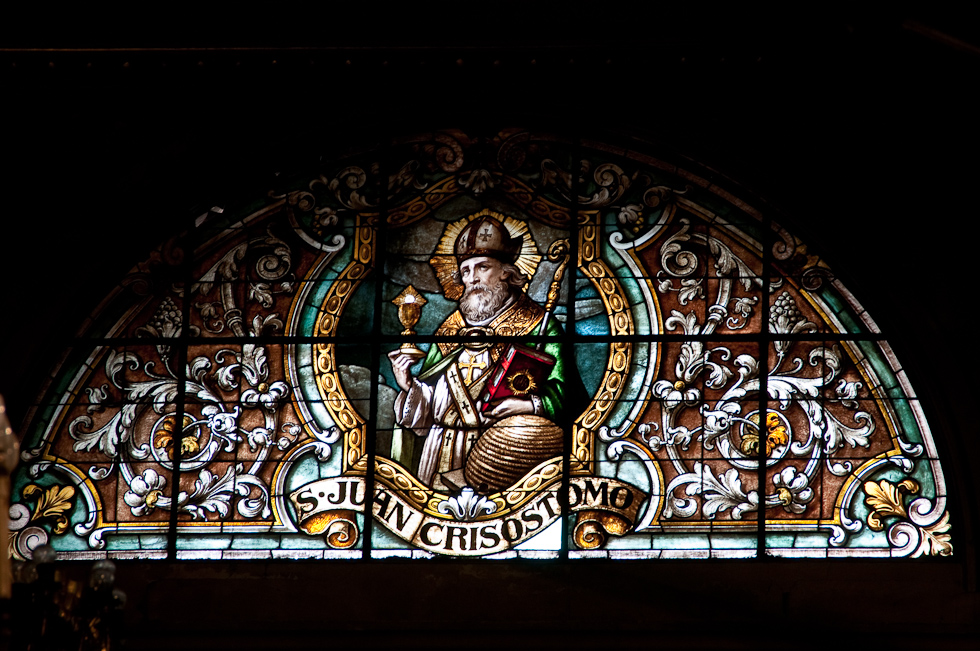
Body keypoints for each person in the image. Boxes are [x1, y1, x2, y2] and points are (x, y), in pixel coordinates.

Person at [387, 215, 568, 490]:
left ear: (507, 271)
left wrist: (530, 406)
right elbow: (433, 402)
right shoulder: (450, 328)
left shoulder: (538, 325)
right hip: (438, 450)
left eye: (482, 267)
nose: (472, 278)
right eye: (466, 270)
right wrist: (409, 384)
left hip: (500, 454)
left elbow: (568, 392)